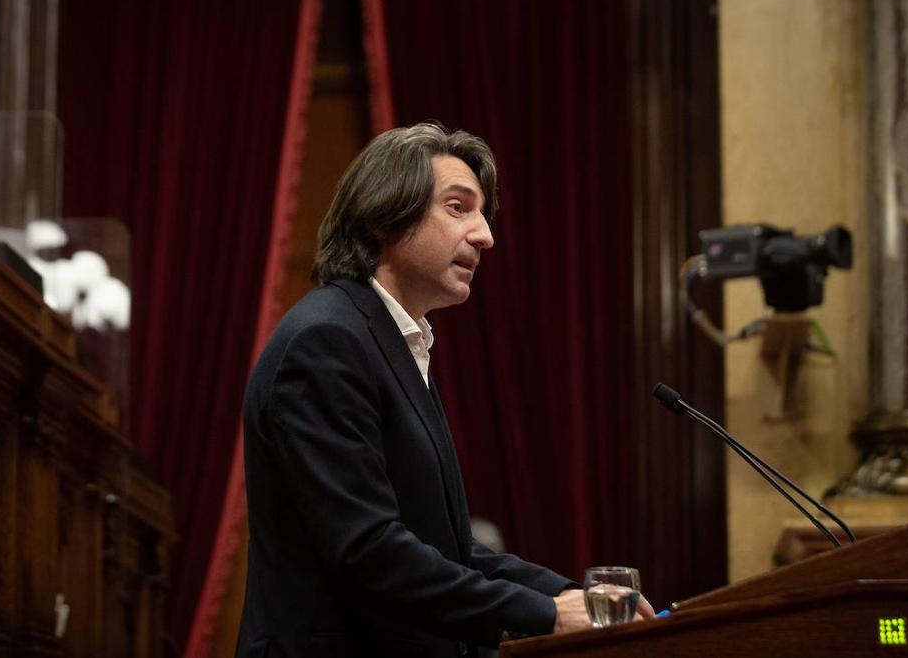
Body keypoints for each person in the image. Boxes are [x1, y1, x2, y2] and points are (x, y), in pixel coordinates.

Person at [236, 123, 649, 658]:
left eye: (483, 214)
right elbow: (368, 550)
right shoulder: (327, 341)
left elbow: (451, 549)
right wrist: (546, 615)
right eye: (458, 207)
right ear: (384, 215)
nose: (485, 235)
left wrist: (573, 597)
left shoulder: (393, 341)